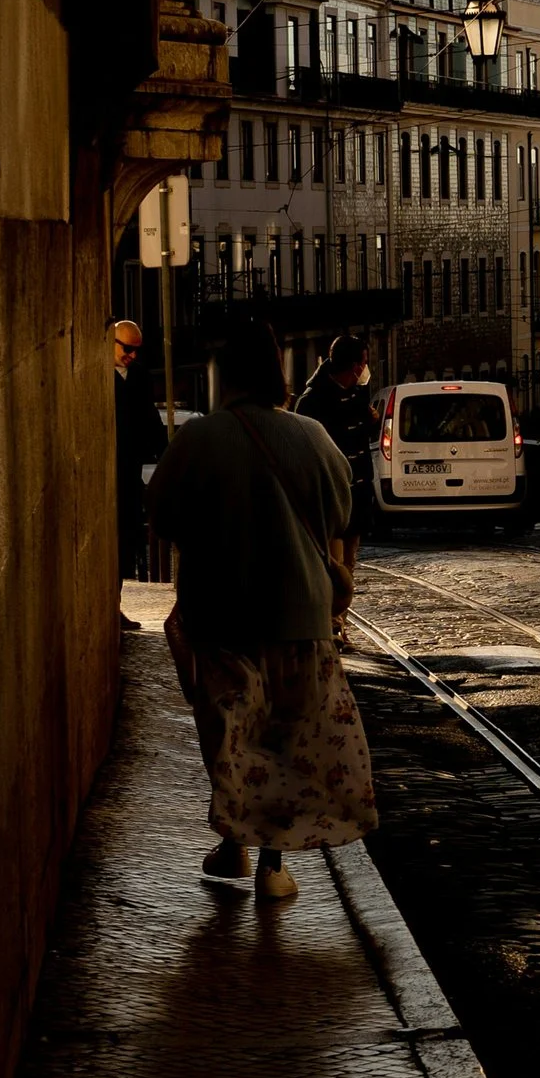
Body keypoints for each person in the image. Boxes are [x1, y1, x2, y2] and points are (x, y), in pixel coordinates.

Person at [147, 324, 377, 900]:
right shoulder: (316, 438)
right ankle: (273, 861)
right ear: (278, 373)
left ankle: (234, 846)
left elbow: (164, 519)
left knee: (229, 739)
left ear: (226, 377)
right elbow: (342, 515)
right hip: (301, 621)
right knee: (284, 741)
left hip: (222, 620)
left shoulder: (199, 441)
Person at [293, 335, 379, 566]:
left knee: (350, 556)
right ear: (355, 367)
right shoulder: (312, 400)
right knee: (333, 561)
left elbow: (361, 431)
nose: (366, 369)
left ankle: (344, 592)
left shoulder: (359, 390)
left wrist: (371, 422)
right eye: (364, 362)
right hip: (330, 495)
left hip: (358, 490)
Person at [112, 319, 166, 607]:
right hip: (112, 469)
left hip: (130, 469)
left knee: (128, 541)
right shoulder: (99, 375)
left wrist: (164, 454)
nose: (132, 355)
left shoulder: (140, 377)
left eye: (136, 350)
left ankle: (117, 606)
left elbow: (150, 419)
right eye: (127, 348)